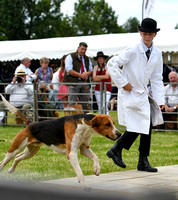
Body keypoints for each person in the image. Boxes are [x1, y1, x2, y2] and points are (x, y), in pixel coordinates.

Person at [106, 18, 165, 173]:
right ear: (140, 33)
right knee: (140, 125)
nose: (147, 36)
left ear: (155, 35)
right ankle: (120, 151)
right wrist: (122, 82)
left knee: (146, 125)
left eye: (150, 34)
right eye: (145, 33)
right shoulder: (132, 49)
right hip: (130, 92)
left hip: (143, 94)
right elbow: (111, 64)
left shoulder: (157, 53)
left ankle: (135, 157)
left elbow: (157, 78)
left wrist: (160, 100)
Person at [63, 42, 93, 113]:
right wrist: (80, 75)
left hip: (84, 83)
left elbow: (91, 70)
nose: (83, 51)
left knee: (85, 103)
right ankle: (71, 120)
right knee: (72, 103)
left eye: (85, 50)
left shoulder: (87, 58)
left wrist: (87, 73)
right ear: (78, 48)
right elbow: (69, 70)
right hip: (73, 83)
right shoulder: (70, 56)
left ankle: (86, 120)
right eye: (82, 49)